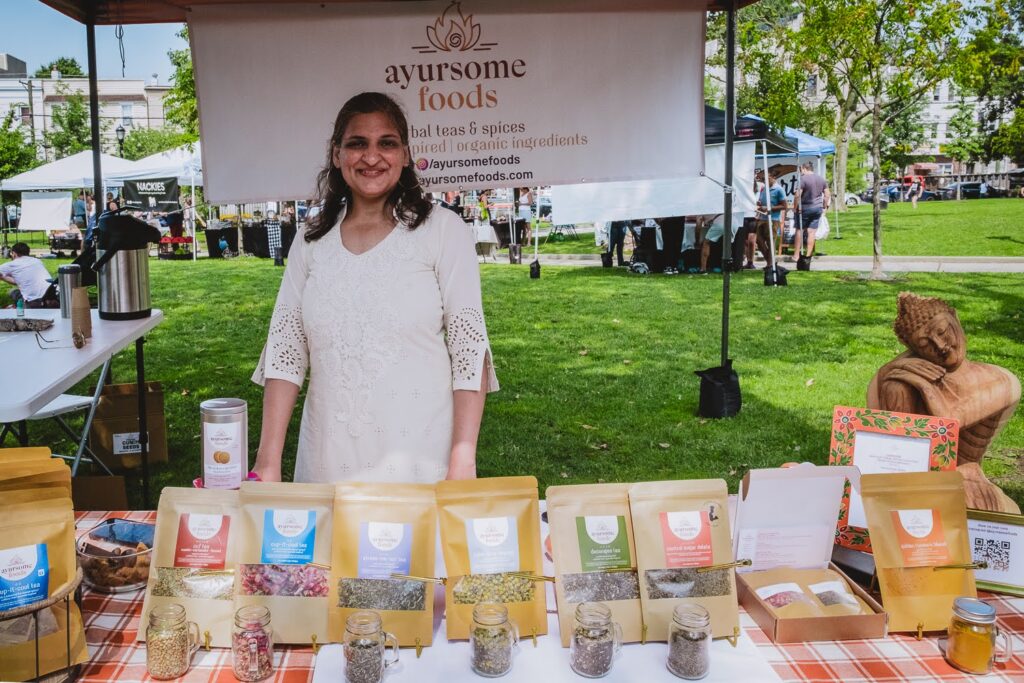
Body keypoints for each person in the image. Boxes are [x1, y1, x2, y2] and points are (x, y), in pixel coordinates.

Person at [251, 92, 498, 485]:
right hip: (326, 463)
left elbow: (470, 351)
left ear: (405, 154)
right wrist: (267, 462)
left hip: (420, 464)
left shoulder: (443, 231)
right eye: (356, 144)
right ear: (336, 155)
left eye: (386, 143)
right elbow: (286, 352)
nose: (371, 157)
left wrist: (463, 460)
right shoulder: (311, 240)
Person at [792, 162, 830, 261]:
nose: (800, 171)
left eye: (801, 169)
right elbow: (827, 195)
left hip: (804, 208)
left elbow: (797, 195)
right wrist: (824, 207)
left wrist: (794, 207)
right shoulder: (821, 179)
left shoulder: (802, 179)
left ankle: (796, 255)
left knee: (799, 230)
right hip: (817, 208)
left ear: (804, 168)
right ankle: (808, 256)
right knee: (811, 232)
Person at [0, 242, 55, 308]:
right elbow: (18, 281)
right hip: (52, 297)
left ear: (14, 253)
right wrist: (2, 277)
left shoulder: (12, 264)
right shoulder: (37, 261)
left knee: (12, 292)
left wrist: (2, 277)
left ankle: (16, 307)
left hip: (33, 302)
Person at [754, 168, 788, 268]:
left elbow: (784, 206)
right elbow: (761, 201)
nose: (765, 180)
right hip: (762, 218)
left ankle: (770, 264)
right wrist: (759, 204)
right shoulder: (764, 188)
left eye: (767, 178)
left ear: (773, 177)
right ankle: (770, 261)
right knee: (759, 241)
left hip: (773, 219)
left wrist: (770, 208)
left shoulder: (779, 189)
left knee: (770, 242)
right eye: (764, 179)